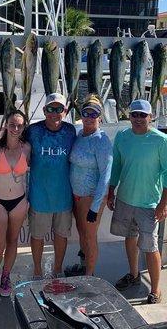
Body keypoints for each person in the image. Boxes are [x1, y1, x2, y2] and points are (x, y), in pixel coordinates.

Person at [108, 99, 167, 304]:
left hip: (149, 203)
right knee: (130, 237)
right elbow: (116, 166)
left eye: (143, 115)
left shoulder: (161, 140)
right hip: (124, 198)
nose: (139, 119)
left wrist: (163, 203)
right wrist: (110, 191)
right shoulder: (122, 136)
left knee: (150, 247)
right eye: (135, 114)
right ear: (129, 116)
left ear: (151, 117)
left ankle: (156, 290)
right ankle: (133, 274)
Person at [25, 93, 76, 278]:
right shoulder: (32, 130)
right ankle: (37, 270)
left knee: (61, 235)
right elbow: (12, 141)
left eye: (59, 109)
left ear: (65, 111)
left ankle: (57, 269)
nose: (55, 113)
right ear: (44, 110)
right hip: (39, 196)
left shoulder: (71, 131)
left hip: (63, 195)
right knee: (37, 236)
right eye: (50, 109)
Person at [0, 110, 30, 297]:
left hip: (19, 202)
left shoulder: (27, 148)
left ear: (24, 127)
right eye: (12, 124)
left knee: (13, 241)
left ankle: (6, 275)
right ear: (5, 125)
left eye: (20, 125)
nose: (15, 128)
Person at [69, 95, 113, 276]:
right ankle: (83, 266)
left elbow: (106, 175)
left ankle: (90, 275)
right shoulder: (79, 135)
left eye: (93, 113)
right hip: (76, 196)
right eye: (85, 112)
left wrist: (95, 207)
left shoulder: (101, 140)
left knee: (89, 236)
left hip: (91, 197)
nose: (89, 116)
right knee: (81, 234)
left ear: (99, 117)